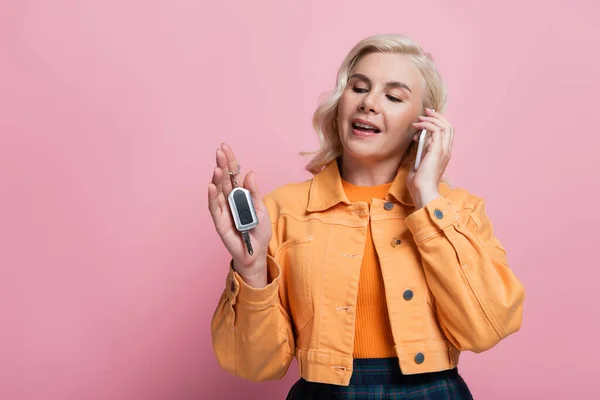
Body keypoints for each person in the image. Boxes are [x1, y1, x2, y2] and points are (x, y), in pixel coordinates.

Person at [208, 34, 525, 399]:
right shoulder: (281, 211)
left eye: (393, 96)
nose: (369, 103)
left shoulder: (457, 209)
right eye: (358, 88)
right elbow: (255, 364)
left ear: (423, 125)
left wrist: (427, 199)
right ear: (340, 103)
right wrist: (249, 270)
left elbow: (488, 328)